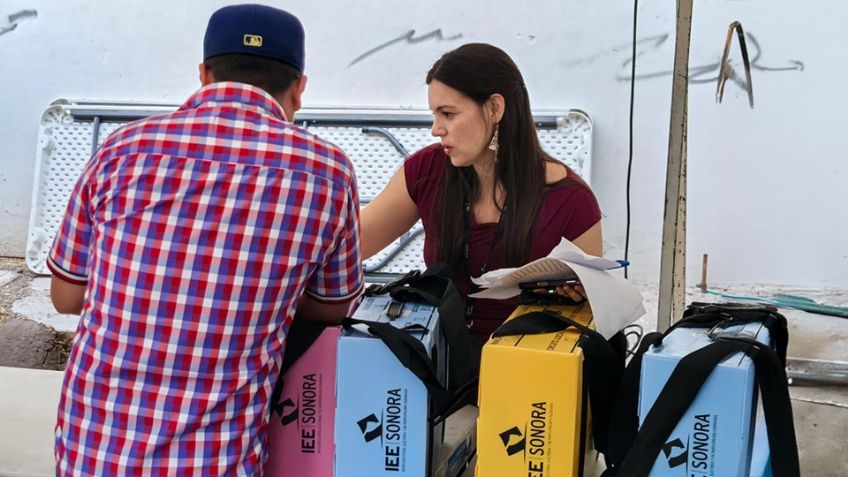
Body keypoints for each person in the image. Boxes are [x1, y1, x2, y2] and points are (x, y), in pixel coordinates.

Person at [47, 5, 363, 475]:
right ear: (299, 87)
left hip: (92, 452)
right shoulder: (327, 172)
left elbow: (67, 294)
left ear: (204, 74)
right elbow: (335, 305)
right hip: (219, 460)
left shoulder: (122, 149)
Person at [361, 43, 602, 341]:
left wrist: (580, 294)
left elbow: (596, 313)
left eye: (448, 114)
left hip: (528, 368)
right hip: (439, 363)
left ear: (494, 108)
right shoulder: (427, 170)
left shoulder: (570, 200)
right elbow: (353, 242)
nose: (436, 129)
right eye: (435, 115)